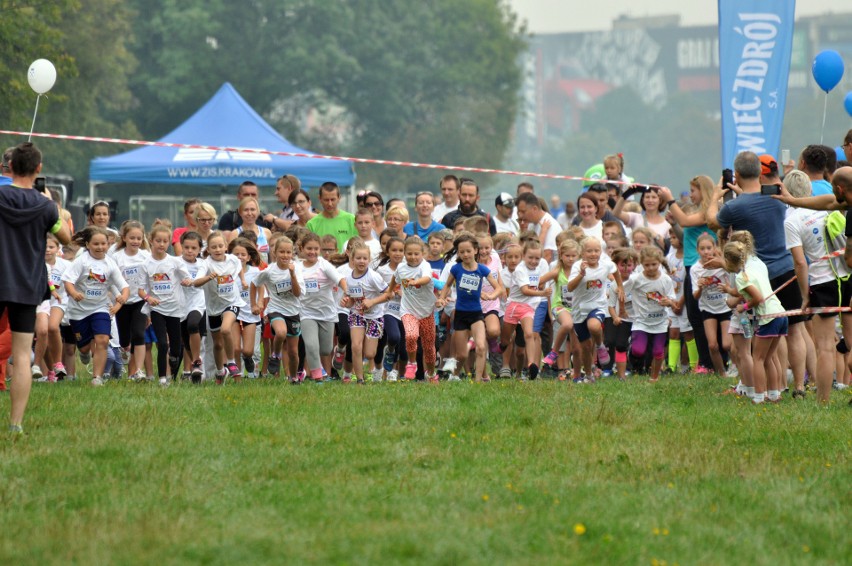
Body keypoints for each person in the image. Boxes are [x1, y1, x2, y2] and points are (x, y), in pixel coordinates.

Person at [706, 151, 810, 390]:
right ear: (761, 172)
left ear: (738, 174)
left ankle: (779, 384)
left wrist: (714, 195)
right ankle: (800, 388)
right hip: (787, 268)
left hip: (760, 275)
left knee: (769, 332)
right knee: (794, 329)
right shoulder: (776, 195)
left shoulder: (735, 206)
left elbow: (712, 221)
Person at [0, 142, 71, 432]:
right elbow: (66, 237)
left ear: (10, 167)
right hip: (27, 285)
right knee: (20, 354)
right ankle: (15, 423)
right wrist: (48, 205)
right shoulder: (46, 207)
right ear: (38, 169)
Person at [782, 169, 851, 404]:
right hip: (848, 278)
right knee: (850, 344)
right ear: (809, 189)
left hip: (823, 283)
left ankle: (823, 401)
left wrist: (804, 296)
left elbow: (800, 262)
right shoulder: (828, 207)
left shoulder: (791, 221)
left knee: (824, 347)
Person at [658, 177, 717, 373]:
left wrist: (670, 200)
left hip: (702, 267)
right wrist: (675, 225)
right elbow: (686, 236)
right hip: (692, 265)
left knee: (700, 316)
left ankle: (708, 362)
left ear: (704, 191)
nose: (691, 194)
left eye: (693, 190)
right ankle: (705, 361)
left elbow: (685, 220)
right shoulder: (701, 213)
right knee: (694, 316)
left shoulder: (709, 213)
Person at [724, 240, 788, 404]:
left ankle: (759, 397)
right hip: (781, 314)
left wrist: (743, 306)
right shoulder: (757, 266)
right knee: (769, 358)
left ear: (730, 260)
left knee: (758, 358)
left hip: (768, 317)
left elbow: (758, 298)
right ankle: (774, 395)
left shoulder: (741, 277)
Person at [436, 233, 502, 382]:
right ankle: (454, 375)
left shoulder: (482, 269)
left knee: (480, 347)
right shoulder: (456, 269)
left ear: (475, 251)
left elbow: (498, 288)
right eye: (462, 252)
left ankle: (478, 381)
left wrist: (491, 296)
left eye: (468, 251)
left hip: (476, 314)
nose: (465, 254)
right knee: (462, 354)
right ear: (458, 253)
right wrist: (441, 298)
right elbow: (446, 285)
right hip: (460, 314)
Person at [139, 224, 191, 385]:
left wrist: (188, 281)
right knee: (162, 344)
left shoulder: (175, 262)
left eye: (165, 241)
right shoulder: (146, 264)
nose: (161, 244)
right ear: (151, 241)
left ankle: (174, 361)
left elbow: (186, 277)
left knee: (175, 348)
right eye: (158, 241)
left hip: (175, 309)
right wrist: (148, 298)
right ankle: (162, 378)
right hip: (157, 309)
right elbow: (141, 290)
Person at [193, 230, 247, 384]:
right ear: (208, 249)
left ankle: (230, 362)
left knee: (225, 329)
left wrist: (242, 280)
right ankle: (219, 371)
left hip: (232, 302)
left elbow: (239, 268)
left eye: (220, 246)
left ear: (226, 247)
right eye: (213, 247)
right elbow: (196, 282)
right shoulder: (206, 264)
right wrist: (207, 278)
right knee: (217, 344)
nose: (217, 249)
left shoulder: (233, 260)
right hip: (213, 308)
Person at [385, 236, 438, 382]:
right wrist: (390, 291)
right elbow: (394, 279)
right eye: (409, 254)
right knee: (411, 336)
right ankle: (412, 363)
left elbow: (427, 279)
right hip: (408, 310)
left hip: (426, 312)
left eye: (416, 254)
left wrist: (415, 282)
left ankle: (432, 373)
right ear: (404, 254)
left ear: (422, 254)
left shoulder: (425, 266)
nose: (413, 257)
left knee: (428, 348)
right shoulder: (401, 268)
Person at [252, 236, 303, 382]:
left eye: (288, 252)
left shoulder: (297, 269)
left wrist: (292, 274)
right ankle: (275, 354)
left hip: (293, 311)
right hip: (275, 309)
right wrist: (254, 304)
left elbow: (297, 293)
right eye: (282, 252)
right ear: (275, 252)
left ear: (292, 253)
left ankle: (293, 378)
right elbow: (254, 284)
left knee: (293, 352)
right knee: (281, 332)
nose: (285, 255)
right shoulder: (269, 271)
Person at [625, 246, 676, 382]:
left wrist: (668, 302)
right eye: (647, 265)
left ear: (659, 263)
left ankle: (654, 377)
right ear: (641, 264)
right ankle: (632, 346)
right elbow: (619, 289)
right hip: (641, 322)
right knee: (638, 351)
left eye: (654, 264)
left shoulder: (665, 280)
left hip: (660, 322)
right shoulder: (636, 279)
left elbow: (673, 300)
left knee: (658, 352)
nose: (651, 268)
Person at [341, 240, 389, 384]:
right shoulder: (349, 278)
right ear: (352, 259)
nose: (361, 261)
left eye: (365, 258)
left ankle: (378, 364)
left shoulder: (373, 276)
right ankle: (360, 380)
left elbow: (388, 294)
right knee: (356, 346)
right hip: (357, 315)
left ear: (369, 260)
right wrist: (345, 302)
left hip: (374, 316)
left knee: (369, 353)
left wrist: (372, 302)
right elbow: (350, 300)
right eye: (358, 258)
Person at [110, 220, 151, 380]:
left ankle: (138, 371)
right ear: (124, 238)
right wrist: (118, 297)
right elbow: (111, 280)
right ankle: (124, 352)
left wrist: (149, 302)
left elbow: (150, 280)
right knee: (124, 340)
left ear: (142, 240)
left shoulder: (146, 257)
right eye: (132, 238)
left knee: (139, 335)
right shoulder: (116, 257)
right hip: (122, 302)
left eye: (138, 238)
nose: (135, 241)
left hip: (140, 301)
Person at [177, 231, 207, 383]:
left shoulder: (203, 264)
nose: (190, 251)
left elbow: (201, 277)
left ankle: (196, 362)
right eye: (186, 247)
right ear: (181, 246)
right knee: (185, 340)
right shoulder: (175, 262)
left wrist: (192, 281)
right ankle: (194, 369)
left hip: (197, 302)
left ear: (200, 249)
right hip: (181, 303)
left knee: (193, 324)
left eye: (193, 248)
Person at [306, 182, 357, 252]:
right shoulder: (312, 224)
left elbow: (358, 246)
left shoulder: (351, 220)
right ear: (320, 199)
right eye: (326, 200)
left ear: (339, 198)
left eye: (333, 199)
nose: (330, 204)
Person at [515, 192, 557, 262]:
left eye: (523, 212)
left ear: (534, 209)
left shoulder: (549, 224)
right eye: (519, 212)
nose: (521, 216)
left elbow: (548, 256)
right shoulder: (532, 224)